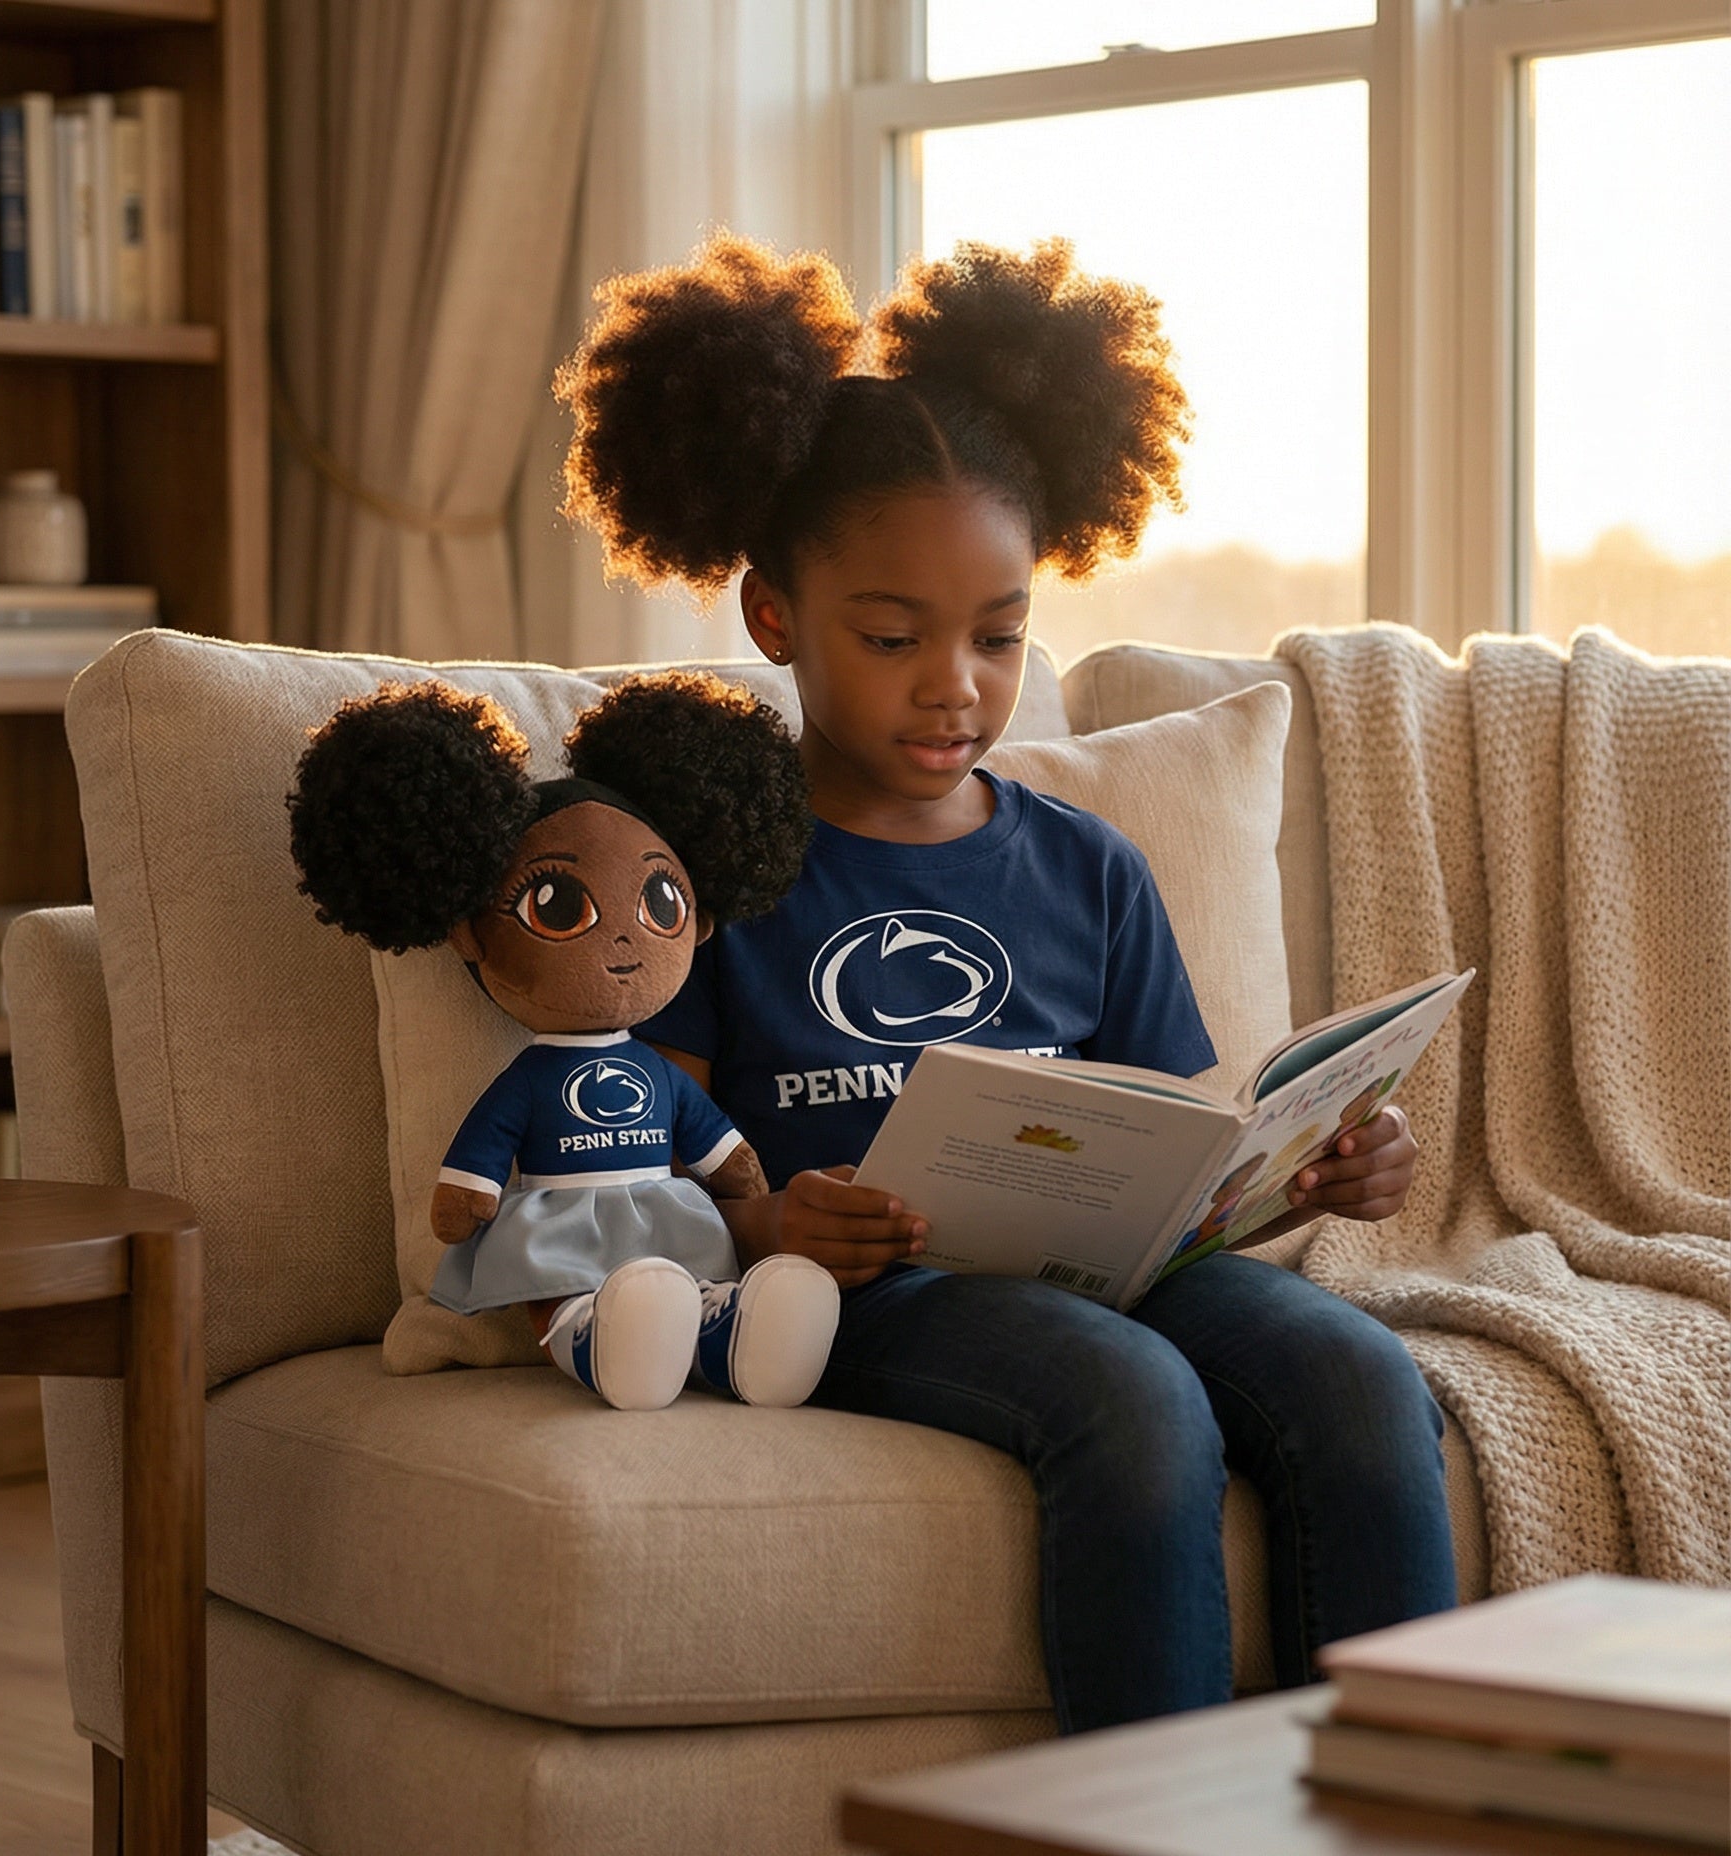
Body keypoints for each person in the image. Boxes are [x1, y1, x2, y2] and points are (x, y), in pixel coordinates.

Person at [553, 232, 1459, 1731]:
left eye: (998, 636)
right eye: (894, 636)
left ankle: (1408, 1813)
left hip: (1113, 1270)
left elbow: (1180, 1141)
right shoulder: (712, 870)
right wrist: (781, 1219)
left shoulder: (1088, 867)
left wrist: (1311, 1175)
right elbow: (643, 1163)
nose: (954, 684)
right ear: (776, 617)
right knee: (1131, 1398)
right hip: (871, 1296)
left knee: (1362, 1379)